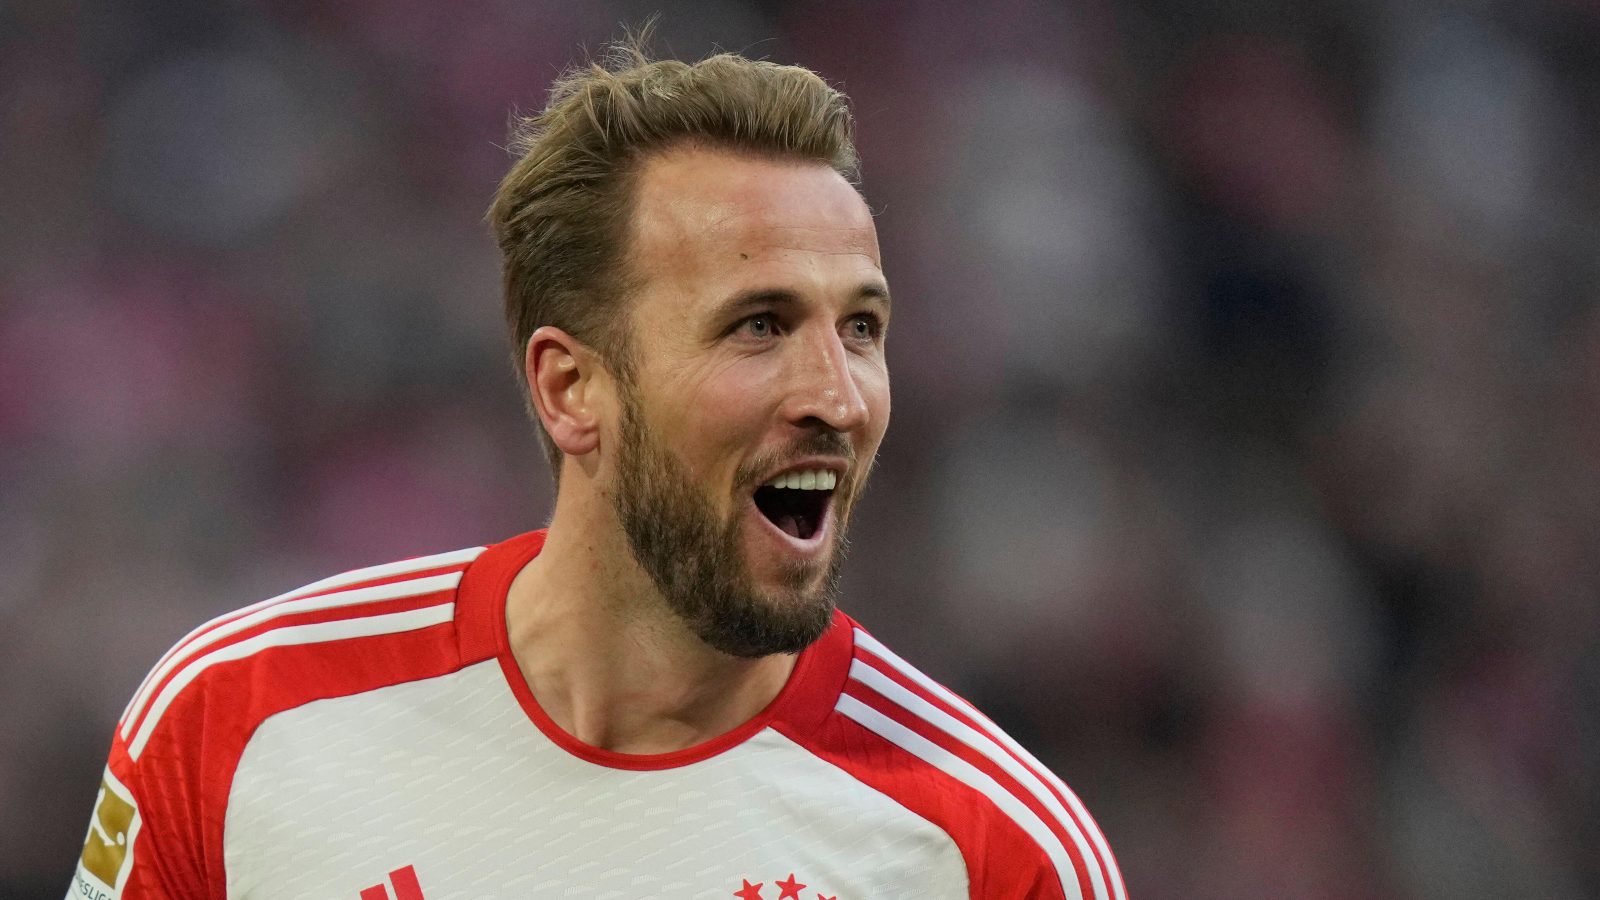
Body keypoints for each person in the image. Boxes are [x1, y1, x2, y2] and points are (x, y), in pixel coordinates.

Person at [69, 42, 1126, 900]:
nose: (837, 397)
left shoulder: (993, 852)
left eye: (860, 327)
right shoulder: (236, 720)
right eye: (758, 326)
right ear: (571, 390)